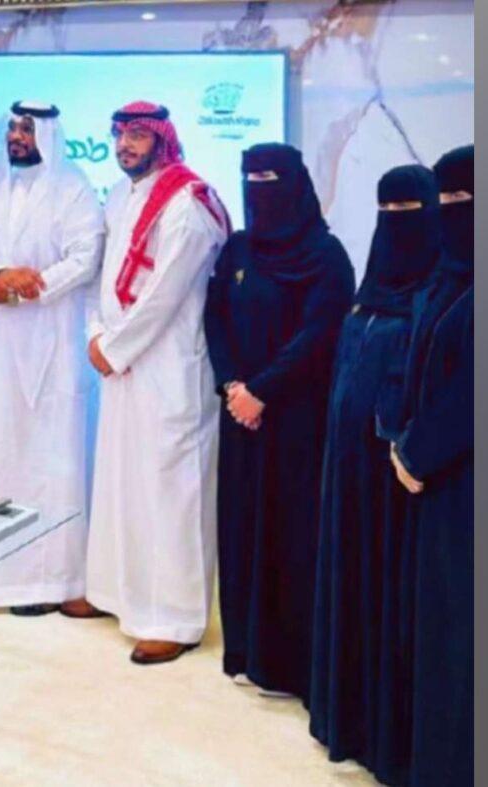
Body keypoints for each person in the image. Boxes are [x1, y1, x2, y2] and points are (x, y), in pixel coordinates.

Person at [61, 101, 231, 665]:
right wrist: (95, 333)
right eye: (119, 135)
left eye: (136, 135)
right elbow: (100, 277)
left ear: (162, 138)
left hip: (169, 369)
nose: (124, 146)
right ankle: (113, 593)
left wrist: (113, 348)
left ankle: (176, 618)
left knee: (171, 492)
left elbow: (166, 295)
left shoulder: (189, 202)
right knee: (119, 482)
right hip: (121, 365)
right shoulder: (119, 195)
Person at [203, 143, 355, 698]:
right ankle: (244, 650)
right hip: (240, 416)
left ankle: (288, 664)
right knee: (242, 529)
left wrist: (262, 391)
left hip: (295, 421)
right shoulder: (239, 248)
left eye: (269, 177)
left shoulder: (326, 256)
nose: (258, 189)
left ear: (295, 183)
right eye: (250, 178)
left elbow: (320, 333)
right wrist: (231, 386)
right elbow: (215, 316)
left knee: (290, 535)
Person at [307, 165, 440, 770]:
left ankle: (386, 737)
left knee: (388, 599)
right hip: (346, 471)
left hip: (396, 480)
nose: (395, 223)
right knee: (349, 584)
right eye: (386, 210)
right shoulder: (372, 286)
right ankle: (346, 719)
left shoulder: (438, 296)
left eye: (408, 210)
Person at [0, 100, 104, 614]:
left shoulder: (74, 188)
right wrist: (0, 272)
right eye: (14, 128)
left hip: (51, 347)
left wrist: (19, 291)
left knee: (46, 459)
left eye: (28, 129)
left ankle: (44, 580)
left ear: (48, 135)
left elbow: (85, 260)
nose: (17, 137)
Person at [389, 145, 474, 787]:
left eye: (461, 201)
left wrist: (417, 451)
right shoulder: (448, 279)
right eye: (440, 200)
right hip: (439, 483)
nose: (448, 213)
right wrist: (402, 440)